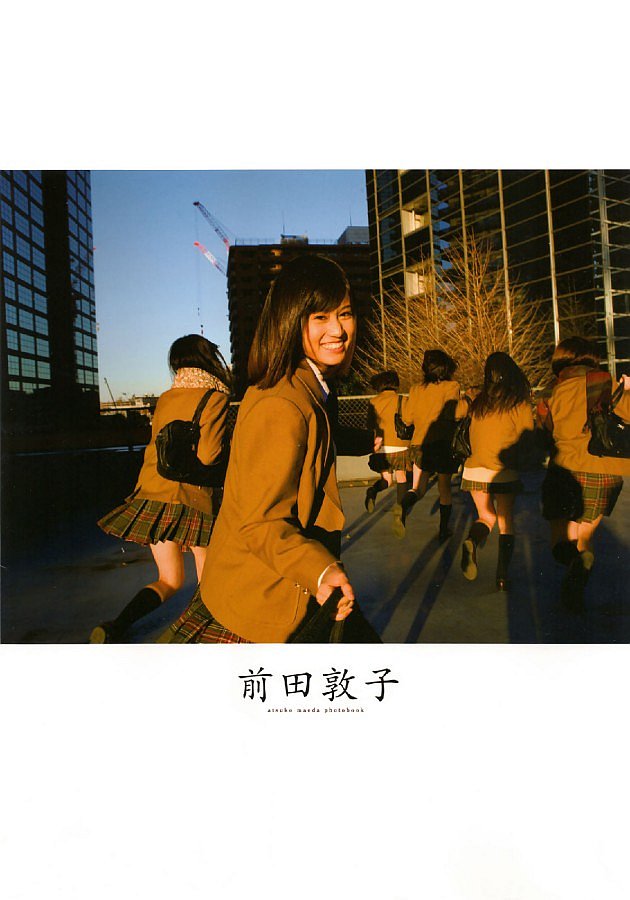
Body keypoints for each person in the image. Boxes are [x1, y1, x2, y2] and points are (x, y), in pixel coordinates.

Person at [166, 254, 376, 644]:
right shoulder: (283, 402)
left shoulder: (305, 389)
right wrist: (319, 570)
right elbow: (260, 522)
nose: (338, 329)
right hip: (264, 595)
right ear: (290, 320)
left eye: (344, 314)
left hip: (273, 581)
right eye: (320, 317)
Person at [90, 334, 231, 642]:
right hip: (192, 500)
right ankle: (184, 639)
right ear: (210, 359)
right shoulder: (215, 397)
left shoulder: (166, 398)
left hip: (152, 496)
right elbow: (209, 456)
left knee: (169, 579)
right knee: (209, 583)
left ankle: (115, 626)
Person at [537, 336, 630, 612]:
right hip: (606, 473)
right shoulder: (607, 384)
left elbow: (546, 431)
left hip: (567, 470)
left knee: (560, 538)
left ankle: (574, 564)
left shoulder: (554, 391)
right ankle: (577, 582)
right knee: (585, 536)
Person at [459, 351, 535, 590]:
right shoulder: (518, 403)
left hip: (473, 469)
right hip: (503, 471)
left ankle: (472, 541)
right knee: (505, 521)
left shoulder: (478, 403)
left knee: (486, 516)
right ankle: (502, 576)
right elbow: (527, 437)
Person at [400, 349, 463, 541]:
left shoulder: (416, 389)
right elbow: (453, 413)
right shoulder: (452, 386)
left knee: (418, 488)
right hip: (442, 443)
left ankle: (404, 504)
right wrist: (466, 404)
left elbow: (407, 418)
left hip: (419, 444)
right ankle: (443, 530)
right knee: (444, 489)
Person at [364, 370, 412, 538]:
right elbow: (409, 420)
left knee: (387, 480)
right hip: (399, 446)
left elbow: (369, 424)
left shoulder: (373, 401)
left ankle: (373, 491)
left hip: (380, 447)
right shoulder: (402, 400)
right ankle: (400, 509)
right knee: (402, 478)